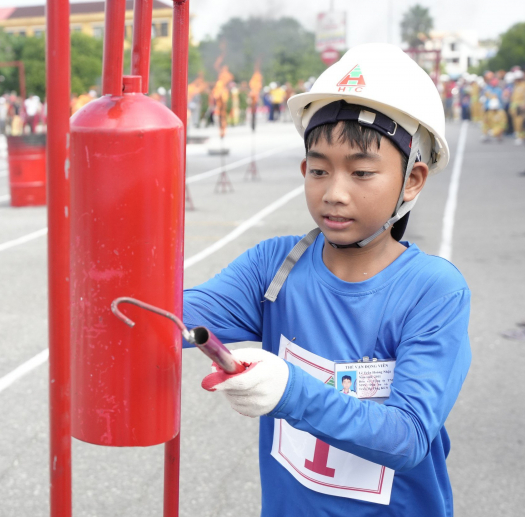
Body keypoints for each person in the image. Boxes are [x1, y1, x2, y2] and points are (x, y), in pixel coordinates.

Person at [186, 43, 470, 515]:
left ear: (413, 180)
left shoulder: (433, 291)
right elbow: (171, 313)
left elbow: (409, 436)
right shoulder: (275, 266)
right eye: (319, 170)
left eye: (361, 172)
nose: (333, 193)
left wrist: (290, 391)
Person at [509, 71, 525, 144]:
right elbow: (514, 98)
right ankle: (519, 136)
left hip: (521, 108)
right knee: (516, 123)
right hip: (515, 108)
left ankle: (521, 137)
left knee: (520, 123)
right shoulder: (516, 86)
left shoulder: (524, 85)